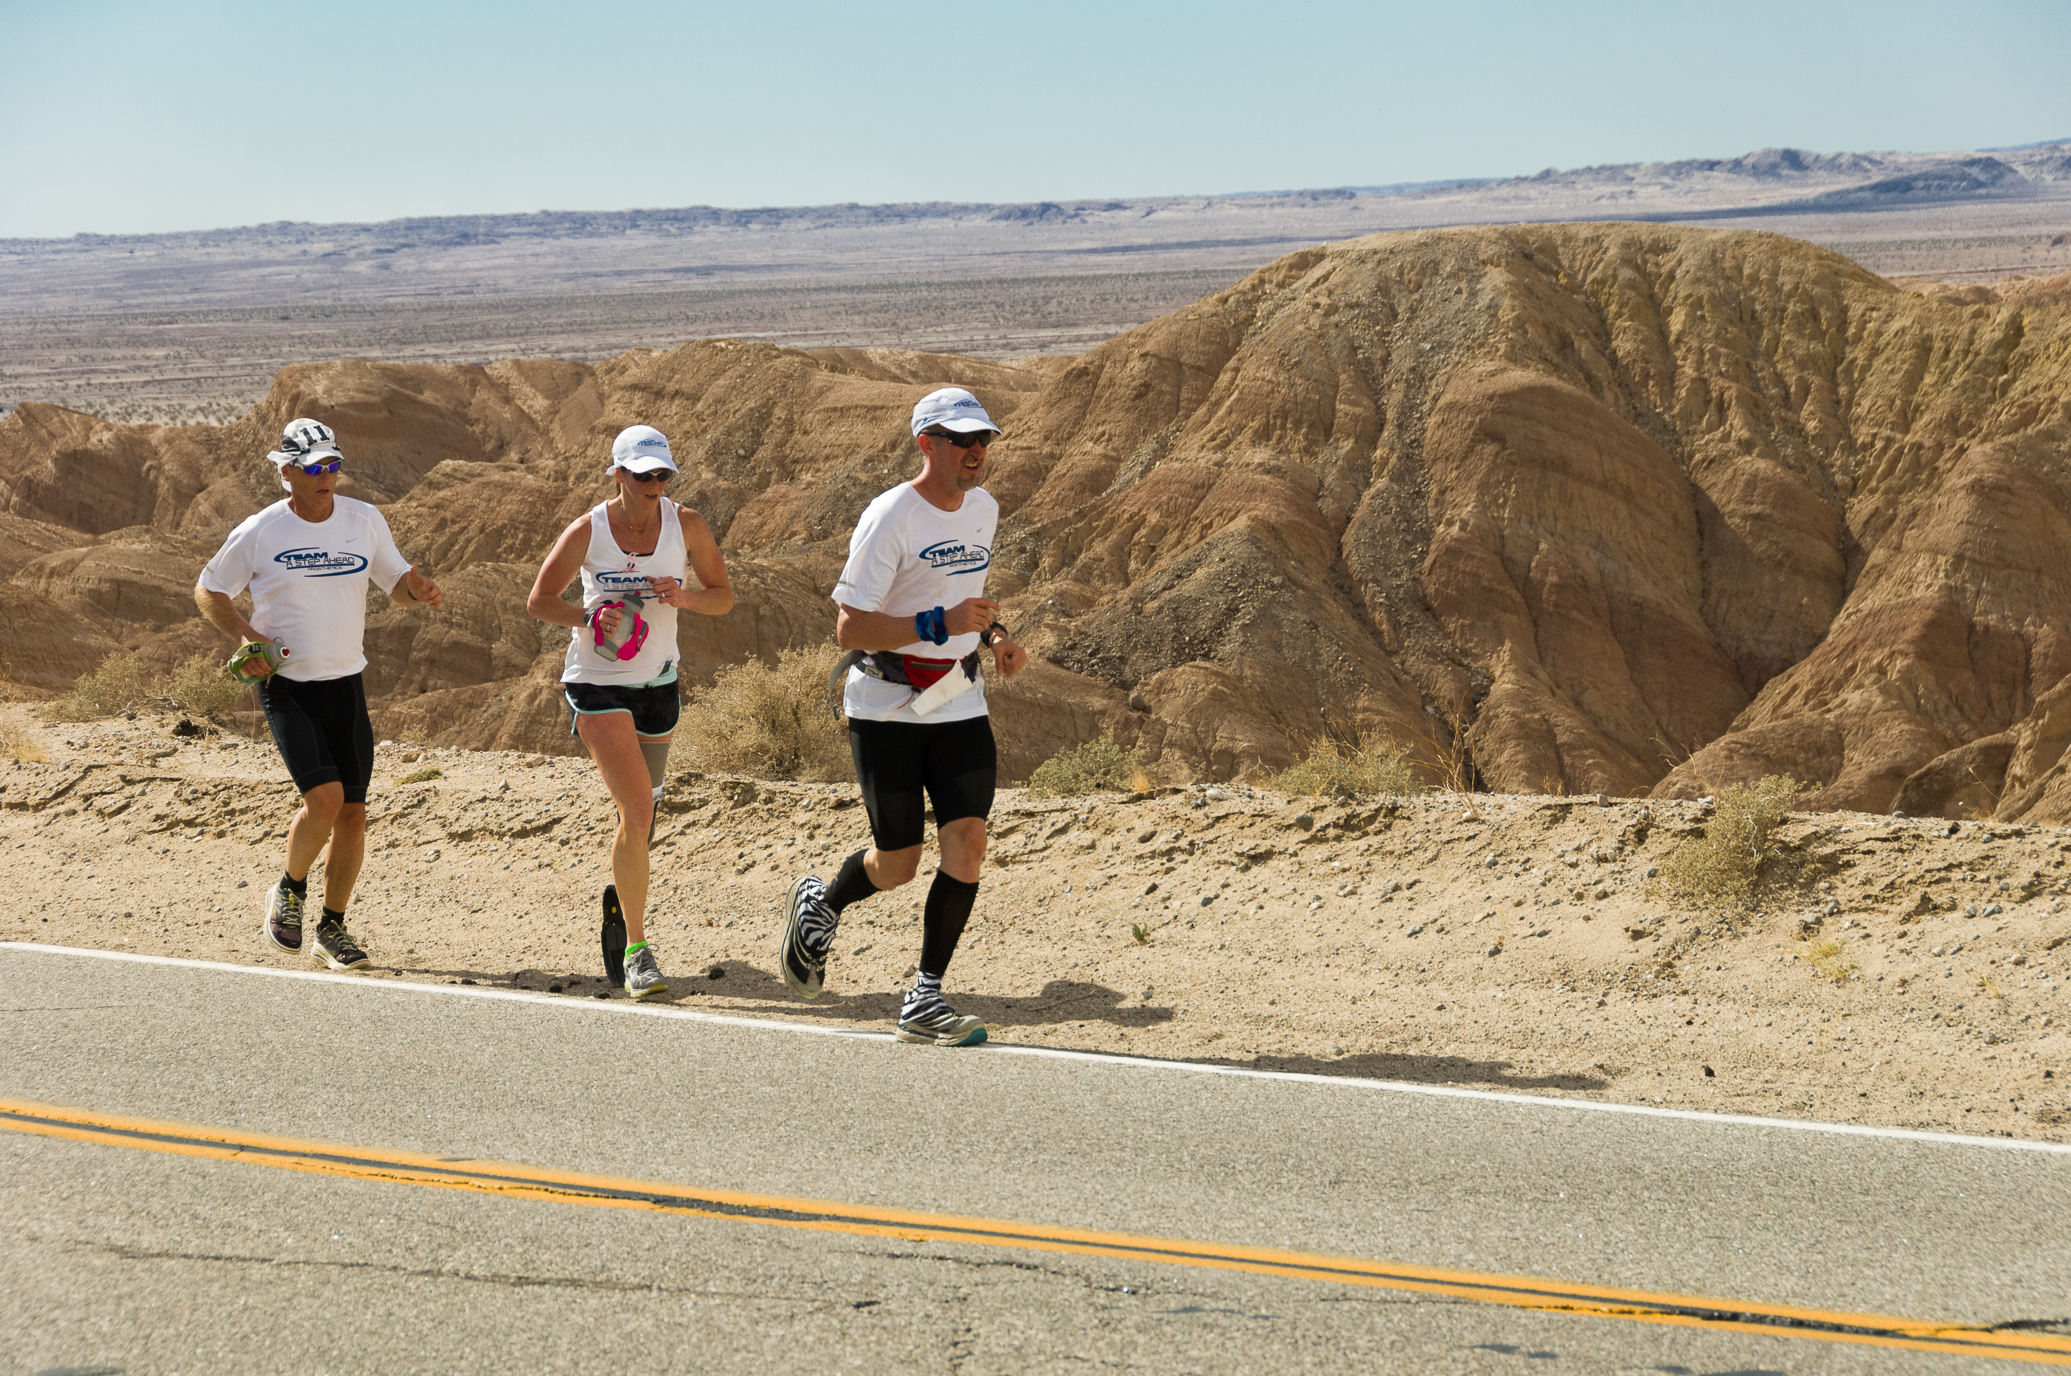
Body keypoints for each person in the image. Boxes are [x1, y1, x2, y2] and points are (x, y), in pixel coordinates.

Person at [778, 386, 1027, 1046]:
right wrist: (936, 622)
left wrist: (993, 636)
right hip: (886, 708)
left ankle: (924, 997)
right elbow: (848, 627)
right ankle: (822, 903)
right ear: (927, 443)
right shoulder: (890, 517)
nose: (977, 451)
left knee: (967, 843)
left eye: (984, 440)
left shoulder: (984, 509)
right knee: (898, 861)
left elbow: (965, 599)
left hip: (957, 700)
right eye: (962, 439)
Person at [195, 418, 444, 970]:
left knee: (353, 815)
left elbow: (395, 584)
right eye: (314, 468)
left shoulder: (364, 520)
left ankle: (332, 928)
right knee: (325, 802)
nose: (327, 476)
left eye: (333, 465)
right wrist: (246, 634)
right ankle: (288, 890)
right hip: (286, 686)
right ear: (287, 473)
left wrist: (417, 591)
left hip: (346, 683)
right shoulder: (261, 530)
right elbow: (209, 588)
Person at [527, 424, 732, 1000]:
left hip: (659, 683)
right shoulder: (588, 530)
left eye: (662, 474)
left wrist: (684, 596)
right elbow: (540, 600)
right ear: (616, 474)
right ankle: (640, 953)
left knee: (644, 817)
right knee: (638, 809)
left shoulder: (686, 524)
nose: (654, 484)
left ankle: (619, 904)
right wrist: (588, 619)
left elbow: (723, 595)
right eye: (642, 475)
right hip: (597, 683)